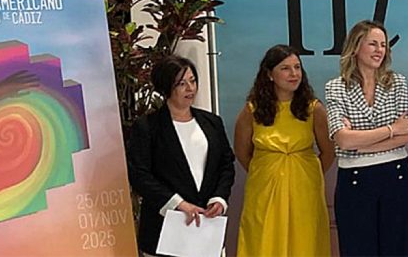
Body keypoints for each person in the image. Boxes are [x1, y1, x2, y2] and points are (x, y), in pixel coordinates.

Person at [126, 56, 235, 257]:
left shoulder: (212, 122)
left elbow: (226, 164)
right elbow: (139, 175)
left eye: (192, 81)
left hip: (206, 227)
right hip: (164, 229)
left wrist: (219, 198)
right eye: (181, 84)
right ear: (166, 87)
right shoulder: (147, 127)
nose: (190, 88)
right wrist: (178, 204)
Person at [325, 20, 408, 257]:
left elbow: (406, 134)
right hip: (354, 181)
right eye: (373, 44)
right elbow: (343, 140)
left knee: (398, 250)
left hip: (397, 176)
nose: (379, 50)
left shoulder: (397, 82)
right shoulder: (336, 87)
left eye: (383, 45)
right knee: (357, 250)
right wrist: (391, 129)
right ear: (356, 47)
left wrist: (361, 143)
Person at [233, 44, 335, 256]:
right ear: (269, 74)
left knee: (305, 240)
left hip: (304, 188)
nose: (294, 74)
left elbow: (328, 151)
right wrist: (267, 171)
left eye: (297, 67)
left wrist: (306, 173)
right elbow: (242, 152)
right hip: (264, 188)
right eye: (285, 68)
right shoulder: (252, 110)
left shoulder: (313, 109)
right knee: (263, 239)